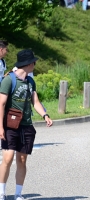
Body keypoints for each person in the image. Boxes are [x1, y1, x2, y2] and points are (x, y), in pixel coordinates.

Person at [0, 49, 53, 200]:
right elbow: (1, 104)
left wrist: (45, 115)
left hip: (26, 125)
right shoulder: (8, 80)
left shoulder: (30, 81)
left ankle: (18, 194)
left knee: (22, 159)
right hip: (10, 125)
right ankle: (1, 192)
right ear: (29, 64)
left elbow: (35, 101)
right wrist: (0, 127)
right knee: (8, 158)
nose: (35, 64)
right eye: (34, 62)